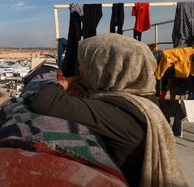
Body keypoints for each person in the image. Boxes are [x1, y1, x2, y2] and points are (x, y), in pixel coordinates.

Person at [29, 34, 187, 186]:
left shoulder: (116, 111)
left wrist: (65, 83)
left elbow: (44, 101)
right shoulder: (144, 99)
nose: (79, 68)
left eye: (84, 64)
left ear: (106, 68)